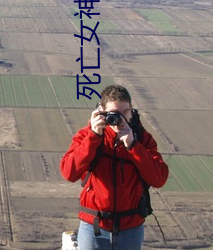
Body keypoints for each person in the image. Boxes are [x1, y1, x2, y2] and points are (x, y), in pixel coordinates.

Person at [60, 85, 169, 250]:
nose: (120, 119)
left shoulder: (142, 139)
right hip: (94, 226)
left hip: (130, 228)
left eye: (125, 112)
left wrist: (133, 146)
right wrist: (94, 137)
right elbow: (69, 172)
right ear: (101, 110)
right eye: (114, 113)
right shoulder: (88, 135)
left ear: (131, 110)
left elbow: (159, 178)